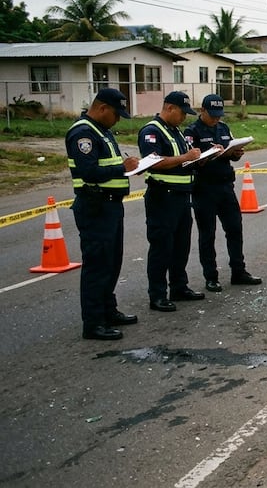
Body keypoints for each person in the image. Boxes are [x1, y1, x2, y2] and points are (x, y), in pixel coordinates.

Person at [65, 88, 140, 340]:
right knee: (97, 266)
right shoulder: (83, 133)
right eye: (116, 114)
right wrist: (123, 167)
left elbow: (108, 167)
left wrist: (129, 169)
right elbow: (89, 171)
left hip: (111, 206)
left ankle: (109, 310)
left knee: (112, 262)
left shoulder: (102, 130)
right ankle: (94, 322)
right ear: (102, 108)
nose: (117, 119)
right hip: (95, 207)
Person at [184, 94, 262, 292]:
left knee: (235, 229)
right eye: (212, 115)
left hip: (226, 186)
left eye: (219, 115)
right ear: (202, 111)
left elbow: (231, 154)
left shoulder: (224, 128)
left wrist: (235, 153)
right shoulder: (192, 132)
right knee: (207, 234)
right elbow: (191, 162)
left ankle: (239, 271)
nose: (216, 119)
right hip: (204, 188)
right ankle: (211, 276)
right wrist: (211, 155)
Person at [138, 91, 204, 312]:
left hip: (182, 195)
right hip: (162, 196)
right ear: (169, 108)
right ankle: (157, 294)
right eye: (182, 113)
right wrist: (185, 158)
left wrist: (203, 158)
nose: (184, 118)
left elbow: (182, 162)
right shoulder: (151, 131)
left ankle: (179, 286)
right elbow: (152, 162)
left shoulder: (175, 131)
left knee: (180, 245)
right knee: (161, 247)